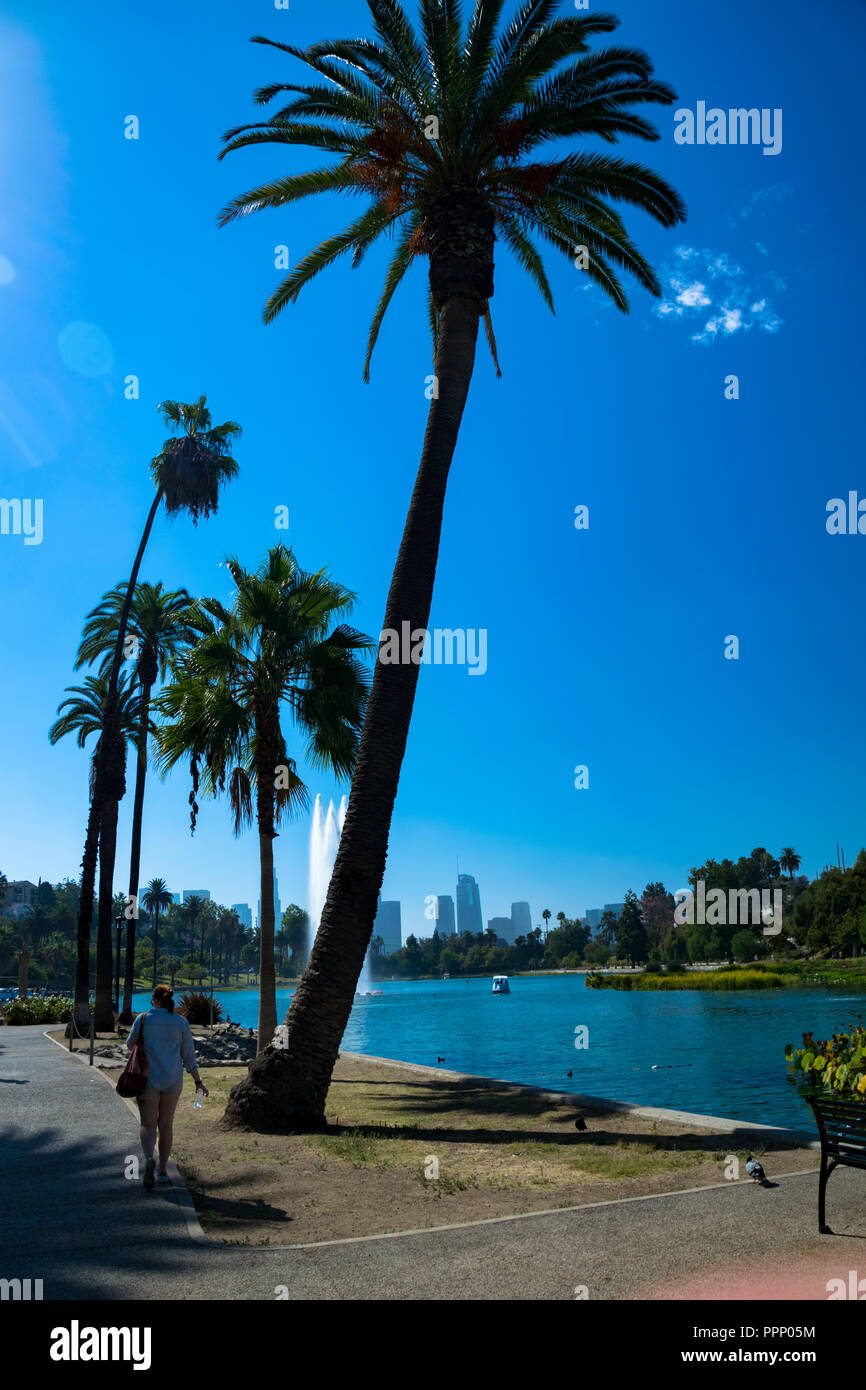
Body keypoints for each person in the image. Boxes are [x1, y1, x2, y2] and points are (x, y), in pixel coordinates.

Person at [126, 984, 208, 1190]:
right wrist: (198, 1082)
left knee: (147, 1125)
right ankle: (163, 1171)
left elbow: (129, 1044)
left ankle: (148, 1159)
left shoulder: (143, 1019)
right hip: (173, 1079)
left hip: (147, 1080)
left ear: (154, 1000)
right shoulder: (181, 1022)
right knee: (166, 1125)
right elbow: (189, 1057)